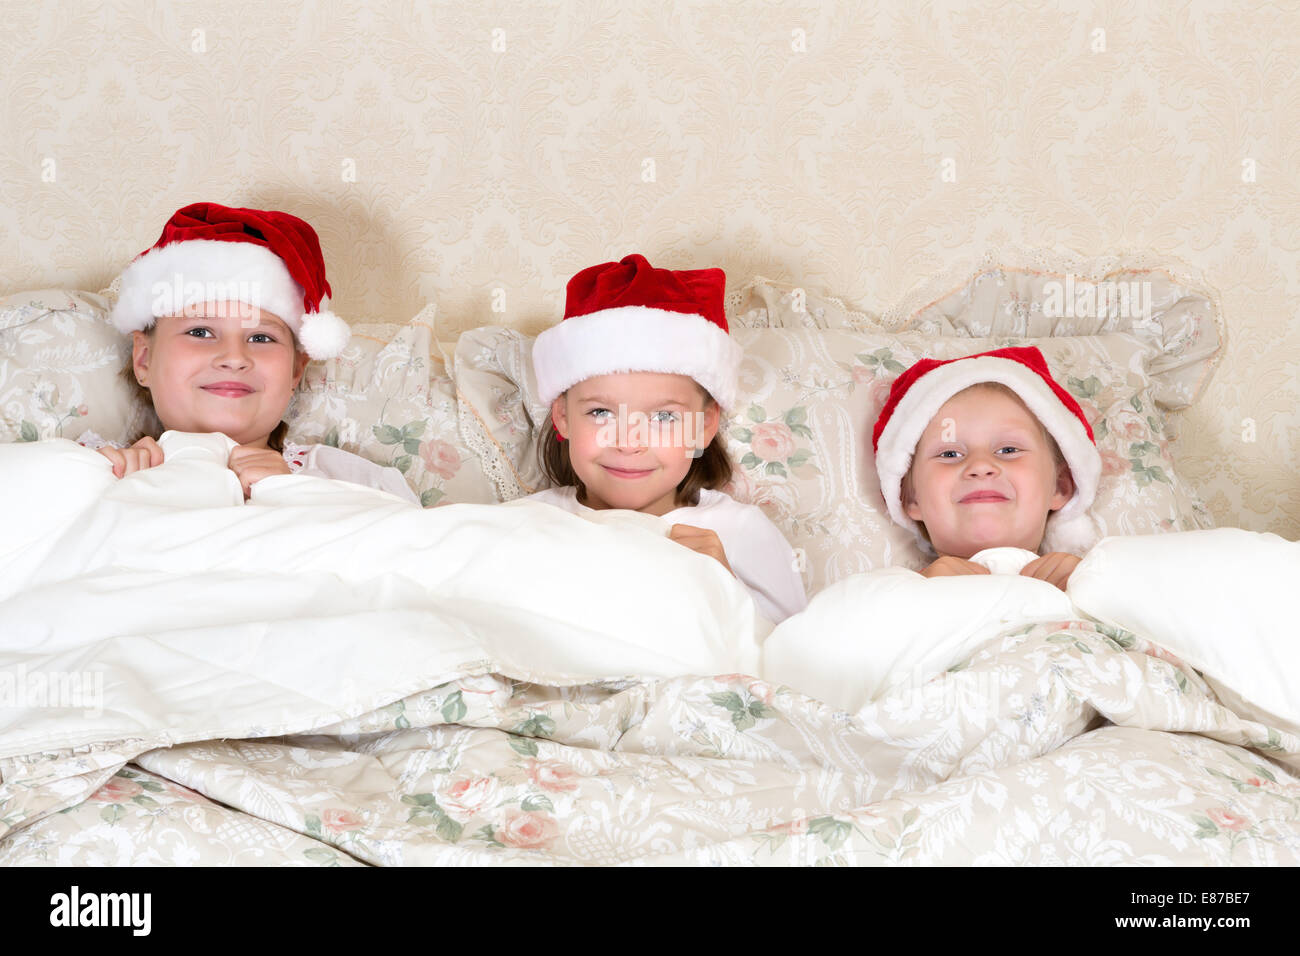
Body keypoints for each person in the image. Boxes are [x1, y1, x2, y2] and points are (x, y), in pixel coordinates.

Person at [526, 253, 807, 623]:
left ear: (705, 426)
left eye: (663, 417)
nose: (629, 443)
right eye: (600, 413)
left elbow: (794, 650)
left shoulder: (741, 533)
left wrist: (725, 585)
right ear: (562, 416)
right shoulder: (534, 523)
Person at [80, 202, 418, 504]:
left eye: (260, 337)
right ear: (144, 359)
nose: (235, 357)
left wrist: (299, 496)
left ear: (295, 371)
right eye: (200, 332)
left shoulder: (349, 483)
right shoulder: (94, 471)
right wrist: (116, 491)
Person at [872, 346, 1102, 591]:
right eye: (950, 454)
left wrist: (1097, 583)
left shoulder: (1104, 579)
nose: (980, 466)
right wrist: (919, 596)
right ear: (911, 498)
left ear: (1060, 487)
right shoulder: (887, 597)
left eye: (1008, 450)